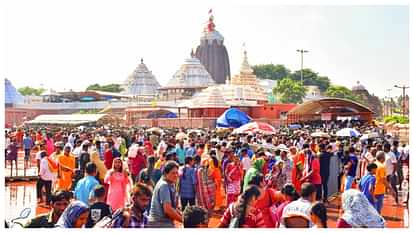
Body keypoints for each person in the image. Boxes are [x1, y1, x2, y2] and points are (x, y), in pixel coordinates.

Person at [148, 161, 182, 228]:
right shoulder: (164, 185)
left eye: (176, 173)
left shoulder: (170, 184)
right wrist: (183, 220)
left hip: (164, 222)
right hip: (159, 223)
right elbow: (168, 210)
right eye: (173, 173)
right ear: (165, 174)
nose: (175, 175)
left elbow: (173, 208)